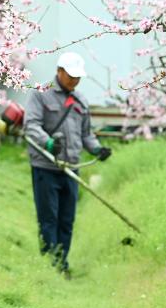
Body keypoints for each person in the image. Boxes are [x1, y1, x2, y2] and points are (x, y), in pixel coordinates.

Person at [23, 52, 112, 278]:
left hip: (71, 168)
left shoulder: (81, 101)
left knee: (66, 219)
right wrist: (48, 142)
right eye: (71, 76)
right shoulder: (40, 95)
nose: (74, 81)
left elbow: (86, 134)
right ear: (59, 71)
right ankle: (49, 265)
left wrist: (97, 149)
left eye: (78, 77)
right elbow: (31, 126)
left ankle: (62, 263)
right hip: (46, 166)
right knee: (49, 218)